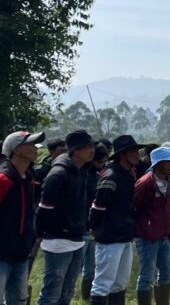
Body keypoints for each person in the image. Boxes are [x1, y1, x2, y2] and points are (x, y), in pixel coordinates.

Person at [36, 130, 95, 305]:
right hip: (58, 240)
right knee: (51, 294)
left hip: (77, 238)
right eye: (88, 147)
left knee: (68, 291)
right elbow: (44, 209)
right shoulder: (59, 174)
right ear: (76, 150)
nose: (92, 150)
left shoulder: (81, 170)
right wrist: (41, 234)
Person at [89, 135, 144, 305]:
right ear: (122, 154)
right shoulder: (111, 176)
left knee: (120, 283)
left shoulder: (128, 174)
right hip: (110, 236)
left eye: (137, 151)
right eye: (133, 151)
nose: (137, 154)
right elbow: (98, 207)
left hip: (125, 235)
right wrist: (95, 228)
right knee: (102, 284)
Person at [0, 131, 44, 305]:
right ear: (17, 150)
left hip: (21, 253)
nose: (35, 148)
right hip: (1, 254)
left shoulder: (29, 181)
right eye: (31, 144)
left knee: (19, 300)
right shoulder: (3, 180)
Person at [133, 147, 170, 305]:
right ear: (158, 164)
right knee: (146, 276)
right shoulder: (145, 182)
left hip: (163, 235)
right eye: (168, 162)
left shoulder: (168, 181)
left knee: (166, 273)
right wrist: (144, 226)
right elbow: (134, 206)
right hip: (146, 236)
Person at [81, 143, 110, 301]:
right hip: (81, 226)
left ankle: (86, 295)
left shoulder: (99, 176)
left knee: (91, 265)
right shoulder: (83, 175)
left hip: (93, 226)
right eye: (99, 162)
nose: (102, 165)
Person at [33, 139, 65, 207]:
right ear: (51, 152)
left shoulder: (67, 167)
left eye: (65, 151)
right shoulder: (42, 169)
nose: (64, 154)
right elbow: (35, 193)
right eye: (62, 151)